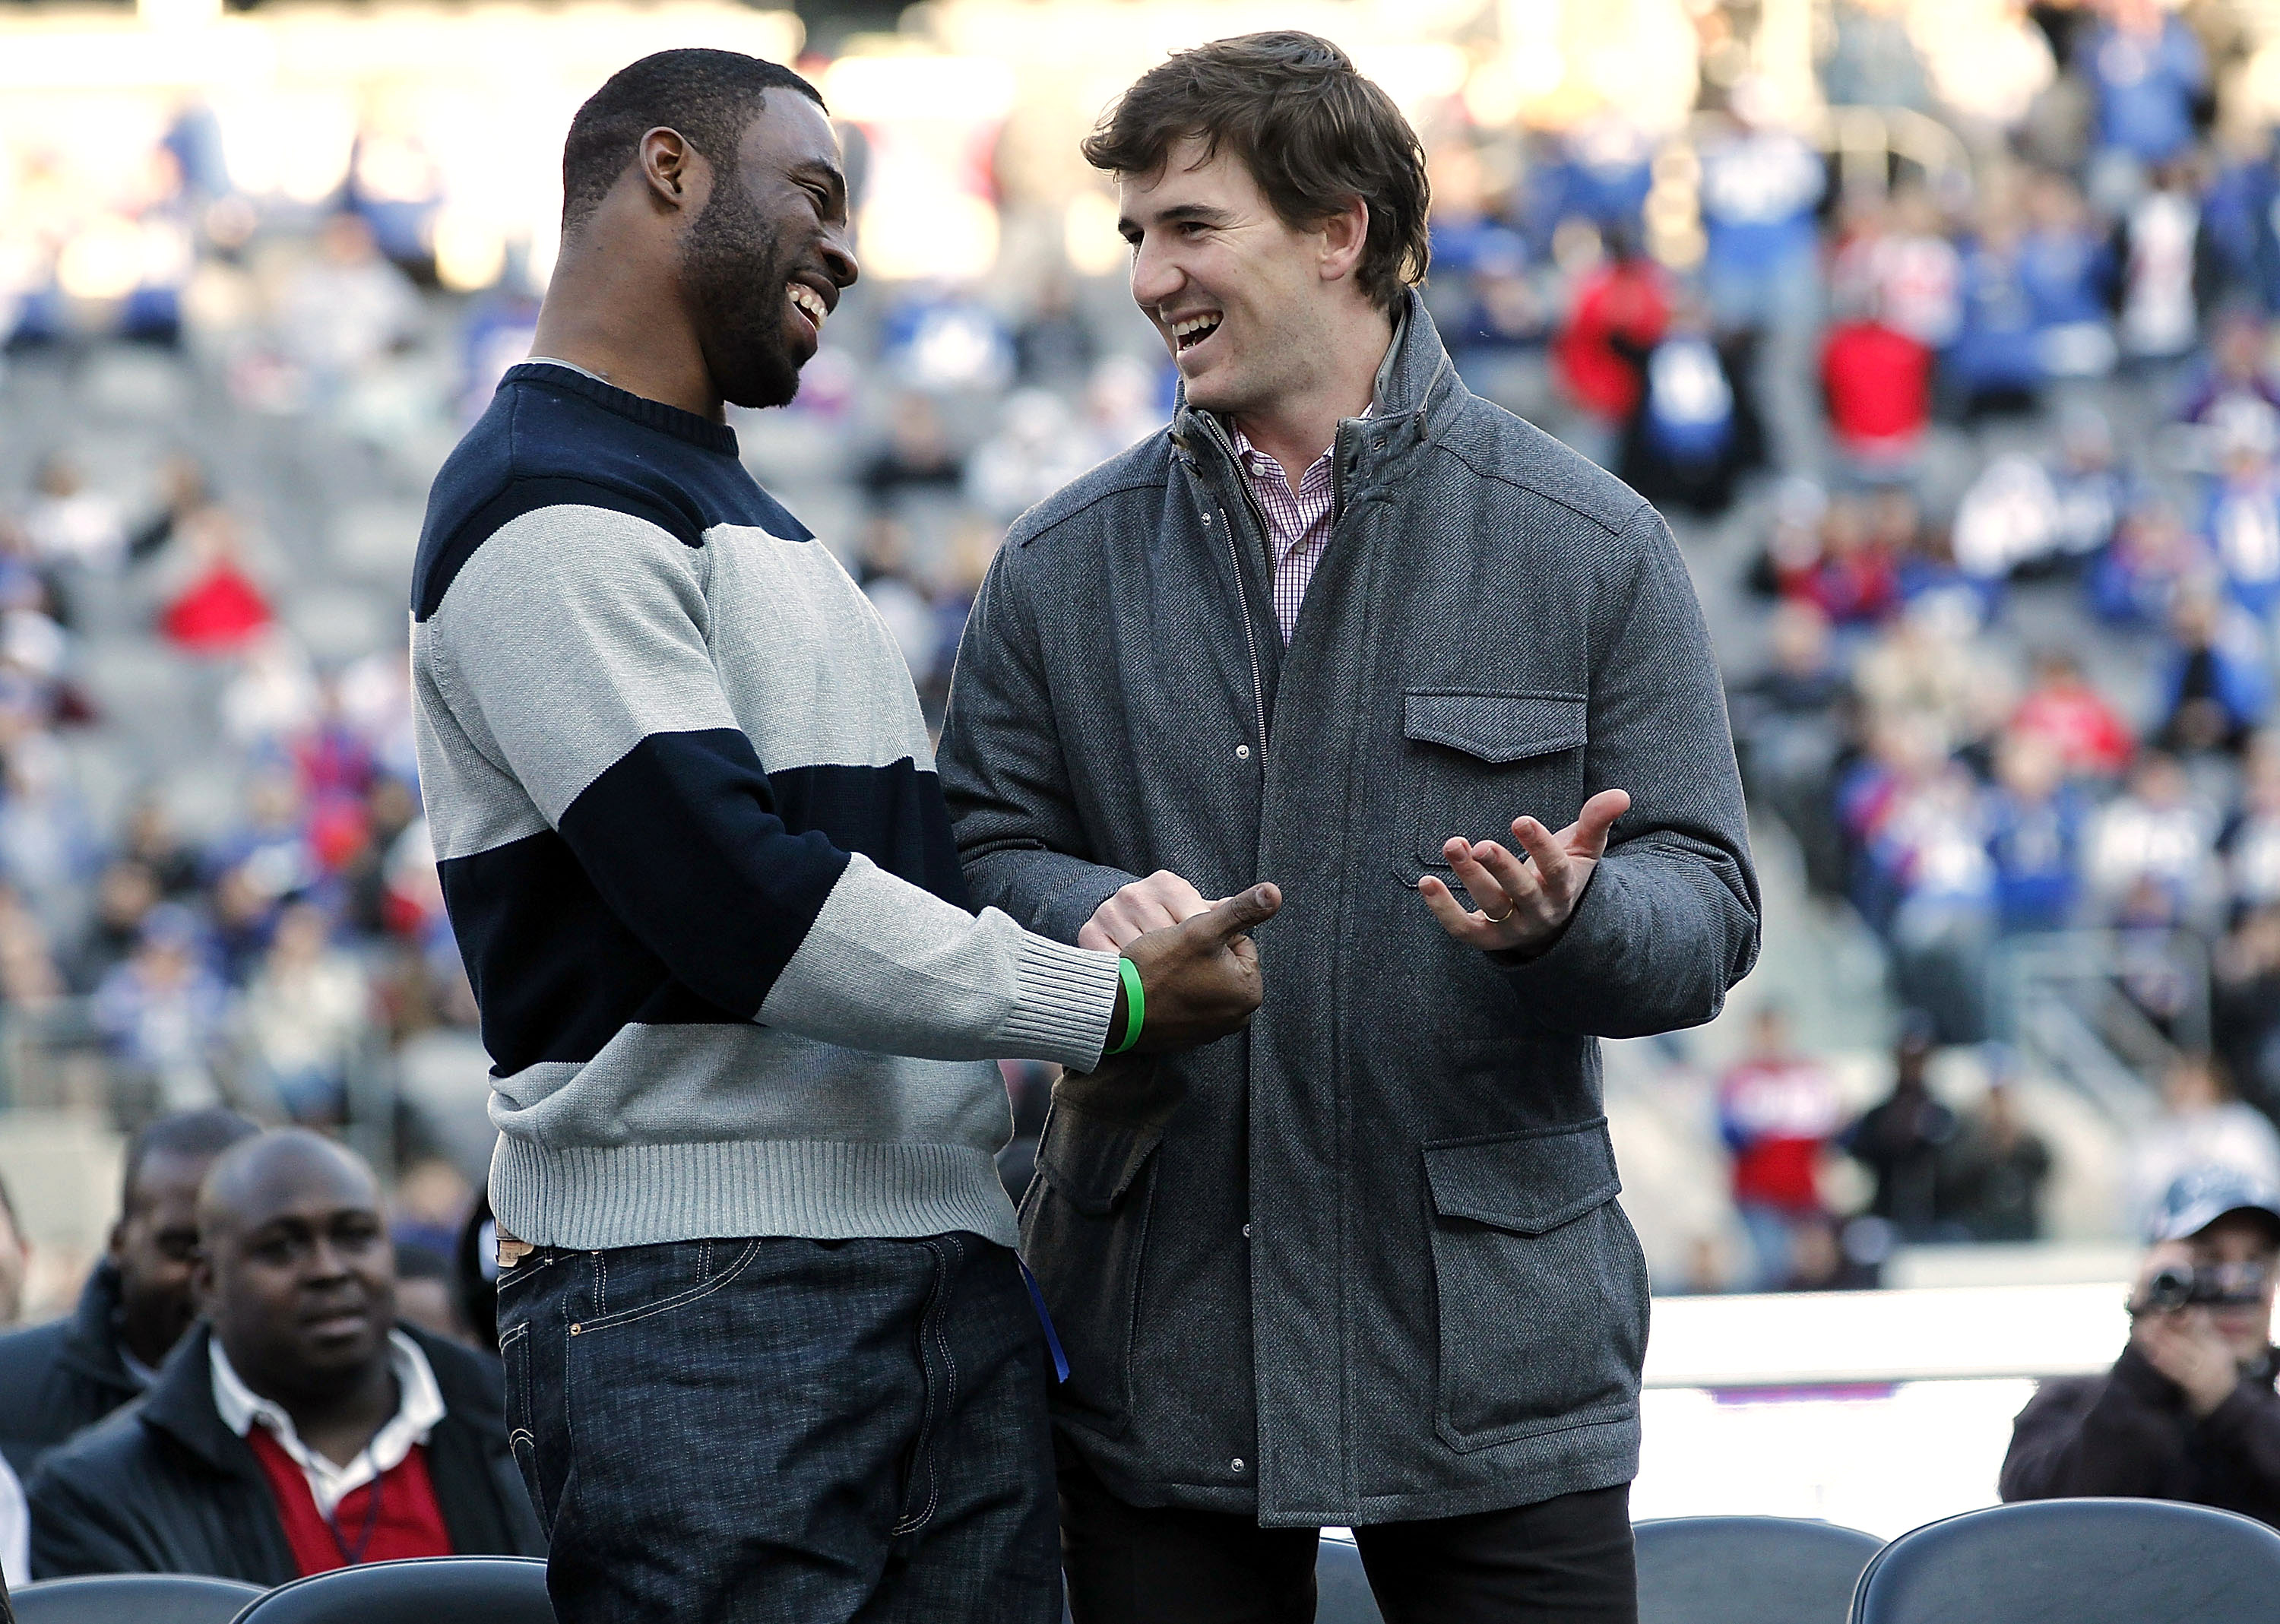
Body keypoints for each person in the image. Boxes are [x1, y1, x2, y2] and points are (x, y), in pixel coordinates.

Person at [408, 49, 1278, 1624]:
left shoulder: (736, 509)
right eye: (812, 193)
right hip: (709, 1296)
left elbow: (891, 880)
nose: (848, 248)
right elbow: (740, 908)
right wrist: (1116, 1002)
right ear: (666, 169)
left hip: (921, 1266)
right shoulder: (546, 500)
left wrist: (1094, 923)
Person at [939, 33, 1760, 1623]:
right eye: (1135, 237)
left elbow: (1709, 907)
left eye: (1191, 227)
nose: (1147, 277)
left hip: (1494, 1373)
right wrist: (1099, 914)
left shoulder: (1591, 546)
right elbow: (974, 858)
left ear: (1343, 231)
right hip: (1153, 1346)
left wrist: (1572, 922)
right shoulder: (1058, 563)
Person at [27, 1130, 544, 1581]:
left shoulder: (533, 1424)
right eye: (281, 1247)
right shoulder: (96, 1494)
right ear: (207, 1281)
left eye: (355, 1235)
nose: (328, 1269)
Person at [2001, 1167, 2280, 1527]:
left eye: (2255, 1264)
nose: (2232, 1287)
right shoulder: (2070, 1405)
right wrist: (2143, 1373)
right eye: (2209, 1262)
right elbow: (2036, 1526)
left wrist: (2230, 1403)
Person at [0, 1109, 259, 1478]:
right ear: (119, 1244)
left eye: (250, 1250)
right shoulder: (11, 1389)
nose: (211, 1279)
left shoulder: (338, 1405)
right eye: (183, 1249)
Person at [1717, 1006, 1846, 1290]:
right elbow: (1728, 1135)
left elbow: (1828, 1139)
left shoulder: (1809, 1077)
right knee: (1772, 1269)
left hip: (1804, 1196)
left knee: (1816, 1273)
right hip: (1758, 1197)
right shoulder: (1741, 1079)